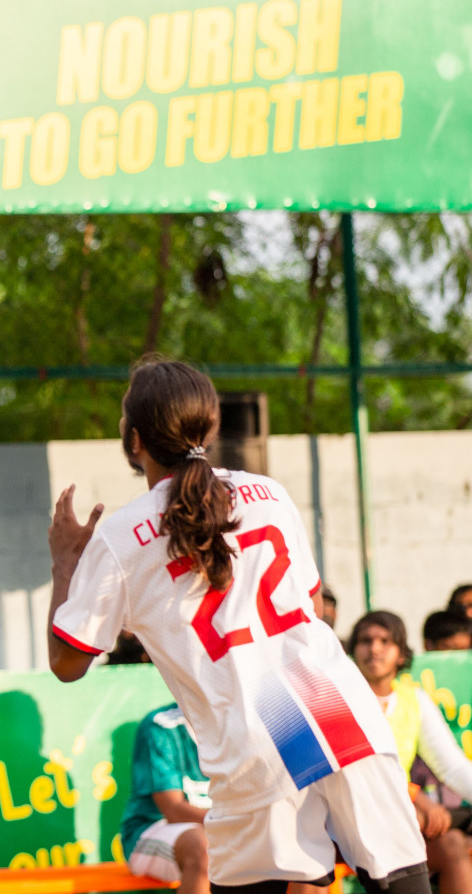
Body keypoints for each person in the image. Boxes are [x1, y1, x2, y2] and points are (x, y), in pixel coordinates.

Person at [48, 357, 429, 894]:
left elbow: (68, 663)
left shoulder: (119, 538)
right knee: (404, 885)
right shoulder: (269, 494)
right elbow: (313, 606)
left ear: (135, 440)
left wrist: (64, 562)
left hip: (252, 740)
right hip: (341, 713)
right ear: (211, 427)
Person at [350, 611, 472, 879]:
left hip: (405, 814)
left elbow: (452, 767)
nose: (375, 649)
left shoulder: (413, 699)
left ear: (402, 653)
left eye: (385, 641)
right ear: (353, 650)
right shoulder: (341, 698)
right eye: (366, 640)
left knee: (453, 844)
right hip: (352, 815)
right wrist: (417, 798)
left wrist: (414, 801)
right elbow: (359, 769)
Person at [121, 703, 212, 894]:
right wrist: (234, 823)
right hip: (151, 829)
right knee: (202, 847)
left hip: (219, 828)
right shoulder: (160, 725)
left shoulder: (246, 721)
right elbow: (173, 810)